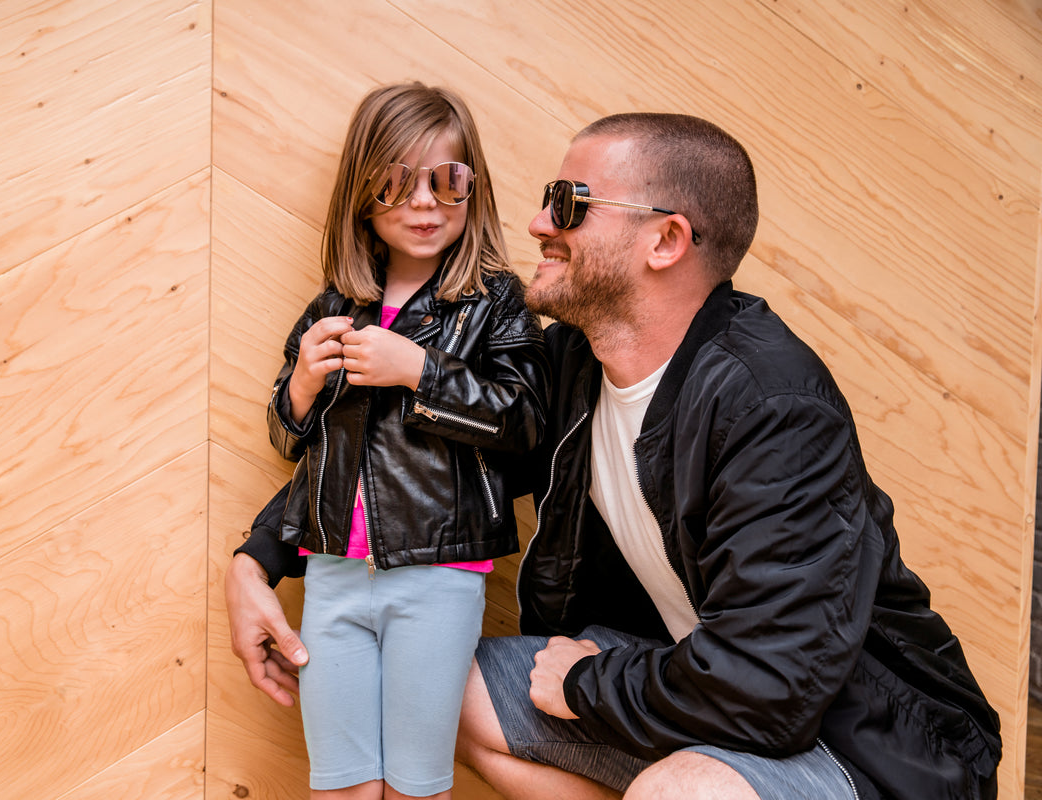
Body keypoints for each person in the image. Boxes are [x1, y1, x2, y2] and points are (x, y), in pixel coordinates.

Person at [228, 111, 1002, 800]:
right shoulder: (573, 367)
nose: (536, 224)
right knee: (438, 693)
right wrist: (256, 560)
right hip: (686, 688)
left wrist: (592, 684)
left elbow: (772, 687)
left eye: (568, 203)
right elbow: (412, 463)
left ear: (665, 240)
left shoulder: (774, 406)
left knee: (682, 791)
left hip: (858, 747)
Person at [234, 81, 549, 800]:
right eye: (397, 182)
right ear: (362, 194)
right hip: (334, 578)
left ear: (475, 189)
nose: (424, 202)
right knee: (342, 785)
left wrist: (423, 373)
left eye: (448, 180)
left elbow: (525, 422)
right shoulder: (332, 307)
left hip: (438, 576)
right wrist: (301, 391)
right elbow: (293, 443)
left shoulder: (497, 302)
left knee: (417, 786)